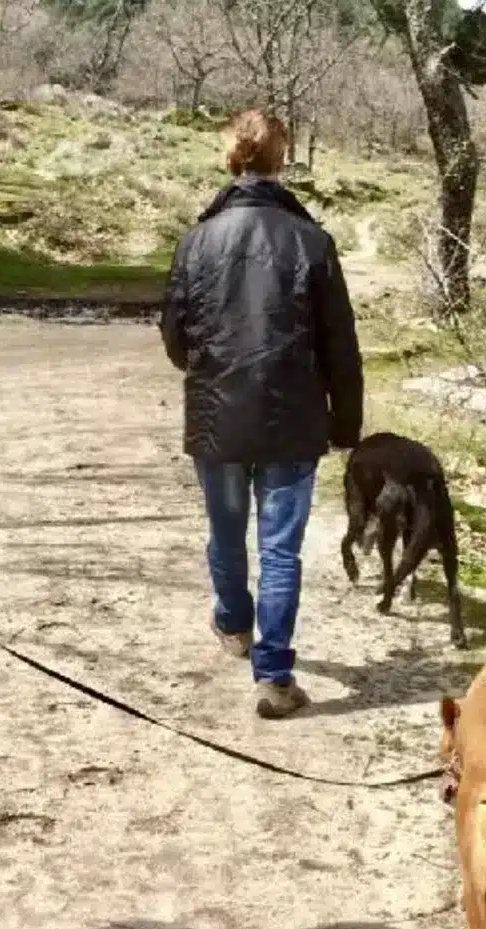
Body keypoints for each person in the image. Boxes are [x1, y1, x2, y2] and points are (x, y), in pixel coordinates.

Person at [159, 109, 363, 720]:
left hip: (219, 415)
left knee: (226, 532)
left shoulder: (197, 241)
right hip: (292, 419)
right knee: (279, 550)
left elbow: (175, 335)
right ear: (282, 160)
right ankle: (273, 677)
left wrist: (208, 367)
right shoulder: (312, 241)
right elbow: (340, 346)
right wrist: (345, 424)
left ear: (232, 159)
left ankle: (233, 625)